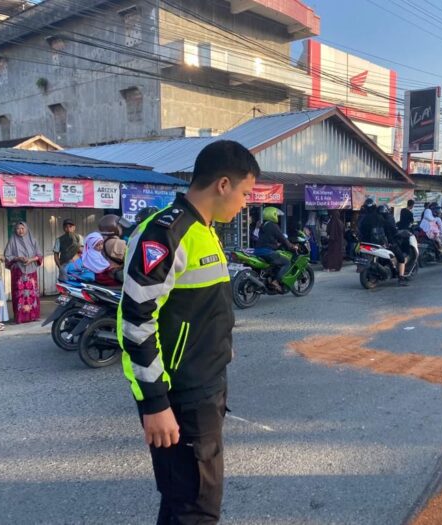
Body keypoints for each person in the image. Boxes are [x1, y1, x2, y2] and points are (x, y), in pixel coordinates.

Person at [118, 140, 259, 524]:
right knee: (195, 507)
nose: (246, 203)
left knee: (187, 501)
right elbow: (135, 321)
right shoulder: (166, 233)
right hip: (179, 397)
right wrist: (154, 403)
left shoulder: (205, 229)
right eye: (246, 193)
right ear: (224, 184)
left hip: (206, 388)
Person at [4, 221, 42, 323]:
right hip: (18, 271)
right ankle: (20, 317)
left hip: (31, 271)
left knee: (32, 293)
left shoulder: (33, 240)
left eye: (22, 228)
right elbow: (7, 256)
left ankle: (33, 315)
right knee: (19, 294)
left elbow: (39, 255)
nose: (20, 231)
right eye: (18, 229)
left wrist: (31, 259)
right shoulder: (12, 241)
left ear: (26, 229)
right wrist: (17, 258)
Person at [255, 206, 297, 291]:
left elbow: (266, 238)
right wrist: (292, 246)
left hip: (258, 251)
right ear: (272, 215)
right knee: (286, 262)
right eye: (276, 215)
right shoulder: (273, 226)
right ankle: (275, 281)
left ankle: (269, 278)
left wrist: (276, 244)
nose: (277, 217)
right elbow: (282, 238)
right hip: (267, 252)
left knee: (275, 262)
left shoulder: (263, 225)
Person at [379, 205, 409, 286]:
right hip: (390, 243)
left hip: (380, 243)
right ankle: (401, 278)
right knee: (402, 259)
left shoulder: (378, 219)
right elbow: (394, 231)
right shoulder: (389, 219)